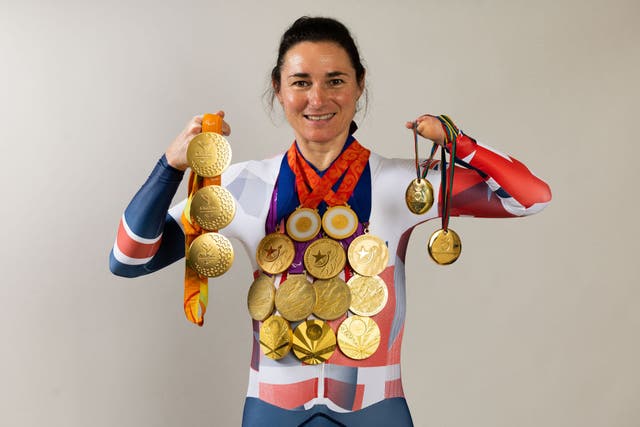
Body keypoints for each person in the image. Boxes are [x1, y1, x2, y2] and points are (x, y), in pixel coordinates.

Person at [110, 16, 551, 427]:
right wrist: (170, 165)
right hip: (271, 408)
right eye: (301, 82)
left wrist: (460, 141)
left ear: (359, 86)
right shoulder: (241, 186)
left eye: (335, 81)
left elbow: (530, 197)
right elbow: (128, 259)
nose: (317, 99)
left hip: (376, 407)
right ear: (278, 89)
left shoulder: (403, 184)